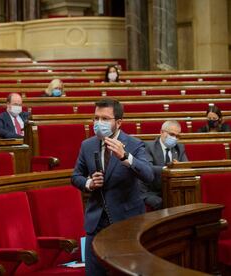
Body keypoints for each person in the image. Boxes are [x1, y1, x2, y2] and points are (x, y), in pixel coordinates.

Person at [71, 98, 154, 276]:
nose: (99, 123)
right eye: (96, 118)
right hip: (96, 223)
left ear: (118, 122)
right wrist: (89, 183)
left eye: (105, 119)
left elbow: (148, 175)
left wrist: (125, 157)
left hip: (126, 223)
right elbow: (75, 176)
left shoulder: (134, 144)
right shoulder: (87, 145)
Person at [141, 121, 188, 210]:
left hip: (171, 190)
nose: (174, 138)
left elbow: (187, 167)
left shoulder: (180, 148)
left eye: (177, 136)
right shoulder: (149, 146)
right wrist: (168, 168)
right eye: (172, 134)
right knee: (159, 202)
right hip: (151, 190)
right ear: (161, 132)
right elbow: (148, 168)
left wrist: (179, 167)